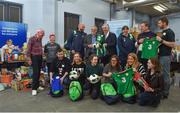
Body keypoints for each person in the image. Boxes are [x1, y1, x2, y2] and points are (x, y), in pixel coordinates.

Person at [156, 17, 175, 99]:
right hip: (160, 56)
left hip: (165, 56)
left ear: (164, 23)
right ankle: (162, 91)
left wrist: (161, 41)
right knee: (161, 74)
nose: (158, 24)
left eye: (159, 23)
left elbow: (173, 45)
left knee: (165, 75)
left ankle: (165, 93)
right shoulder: (163, 32)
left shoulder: (170, 32)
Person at [27, 29, 45, 96]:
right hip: (34, 57)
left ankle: (37, 86)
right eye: (42, 34)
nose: (42, 36)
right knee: (36, 72)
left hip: (40, 57)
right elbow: (28, 49)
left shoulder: (40, 39)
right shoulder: (32, 39)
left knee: (39, 72)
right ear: (37, 33)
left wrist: (43, 56)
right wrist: (29, 59)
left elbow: (40, 48)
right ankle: (34, 89)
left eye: (43, 35)